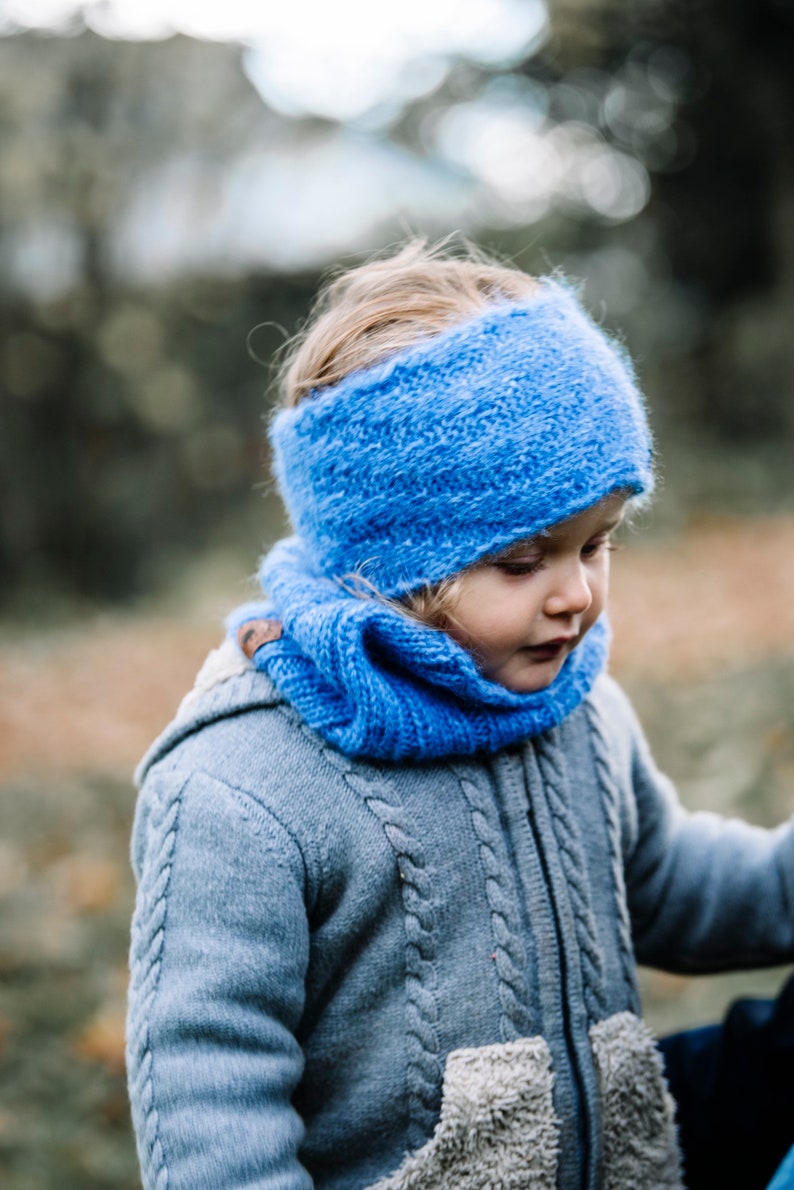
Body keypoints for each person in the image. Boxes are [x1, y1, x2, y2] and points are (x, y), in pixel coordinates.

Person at [126, 240, 794, 1190]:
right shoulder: (241, 790)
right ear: (391, 571)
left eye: (597, 544)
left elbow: (671, 883)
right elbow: (208, 1094)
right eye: (524, 562)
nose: (578, 597)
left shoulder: (577, 708)